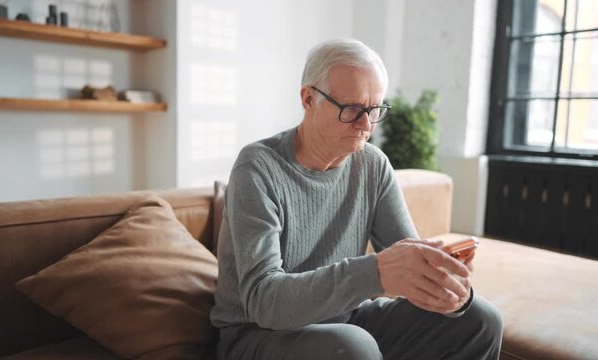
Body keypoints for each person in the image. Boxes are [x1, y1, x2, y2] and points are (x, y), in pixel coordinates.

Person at [210, 38, 503, 360]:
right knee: (351, 346)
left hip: (344, 320)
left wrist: (444, 289)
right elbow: (265, 303)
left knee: (480, 319)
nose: (366, 125)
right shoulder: (258, 167)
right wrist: (374, 273)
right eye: (351, 109)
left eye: (375, 109)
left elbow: (408, 263)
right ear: (309, 99)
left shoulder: (372, 164)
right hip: (257, 334)